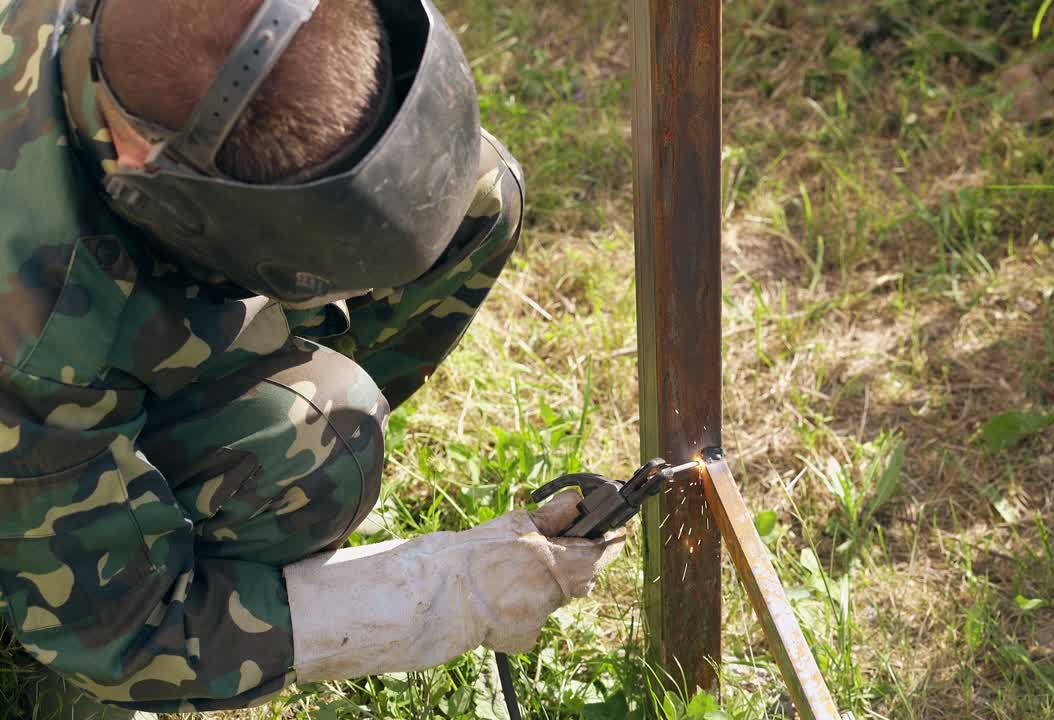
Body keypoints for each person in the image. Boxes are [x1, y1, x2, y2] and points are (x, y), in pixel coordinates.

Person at [0, 0, 624, 716]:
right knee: (315, 452)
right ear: (144, 160)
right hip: (34, 394)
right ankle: (62, 584)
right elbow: (123, 637)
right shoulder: (40, 337)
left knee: (471, 197)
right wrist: (438, 596)